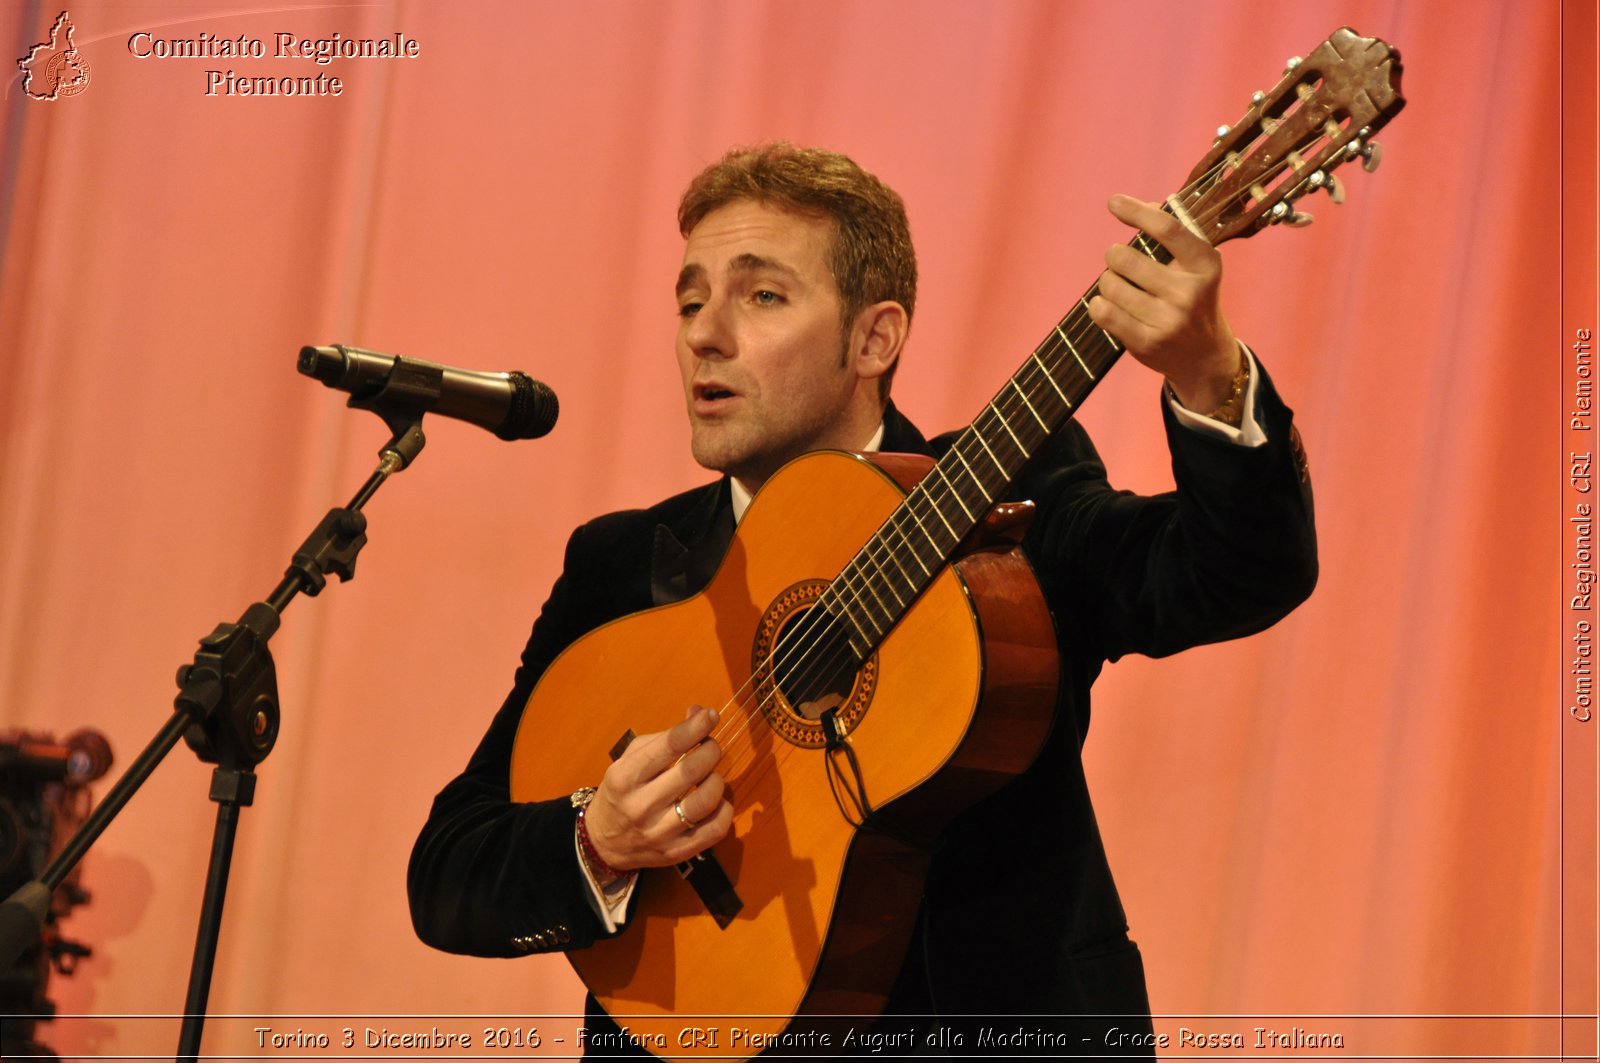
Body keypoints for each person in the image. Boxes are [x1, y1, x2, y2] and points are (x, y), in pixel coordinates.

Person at [408, 143, 1317, 1055]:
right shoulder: (622, 565)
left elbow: (1231, 574)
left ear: (874, 339)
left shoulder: (1007, 496)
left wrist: (1209, 374)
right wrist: (597, 839)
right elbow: (450, 869)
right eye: (690, 300)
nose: (703, 333)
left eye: (762, 295)